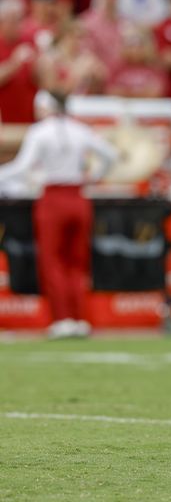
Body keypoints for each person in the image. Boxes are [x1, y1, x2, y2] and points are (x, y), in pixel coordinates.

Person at [0, 91, 119, 338]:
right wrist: (94, 177)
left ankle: (62, 318)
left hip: (53, 199)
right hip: (78, 198)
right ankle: (78, 318)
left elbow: (23, 168)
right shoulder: (79, 129)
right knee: (77, 261)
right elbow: (111, 155)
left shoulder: (39, 131)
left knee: (52, 260)